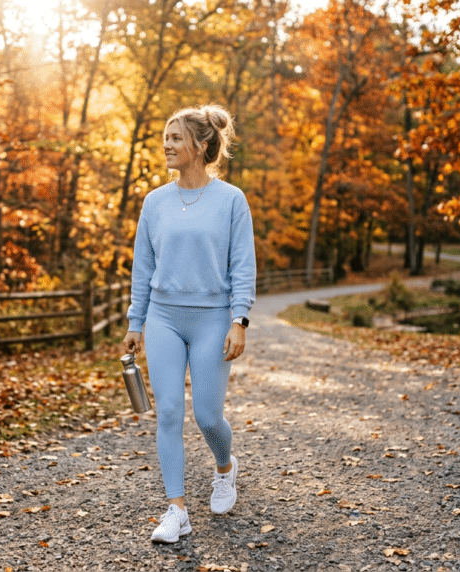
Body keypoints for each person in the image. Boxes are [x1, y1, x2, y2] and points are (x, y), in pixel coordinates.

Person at [122, 104, 256, 544]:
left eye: (176, 138)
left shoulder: (232, 200)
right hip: (162, 316)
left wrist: (239, 320)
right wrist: (135, 321)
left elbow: (243, 267)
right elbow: (143, 267)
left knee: (207, 415)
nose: (167, 145)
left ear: (200, 146)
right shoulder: (155, 201)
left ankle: (225, 468)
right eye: (165, 136)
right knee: (169, 414)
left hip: (212, 319)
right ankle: (176, 510)